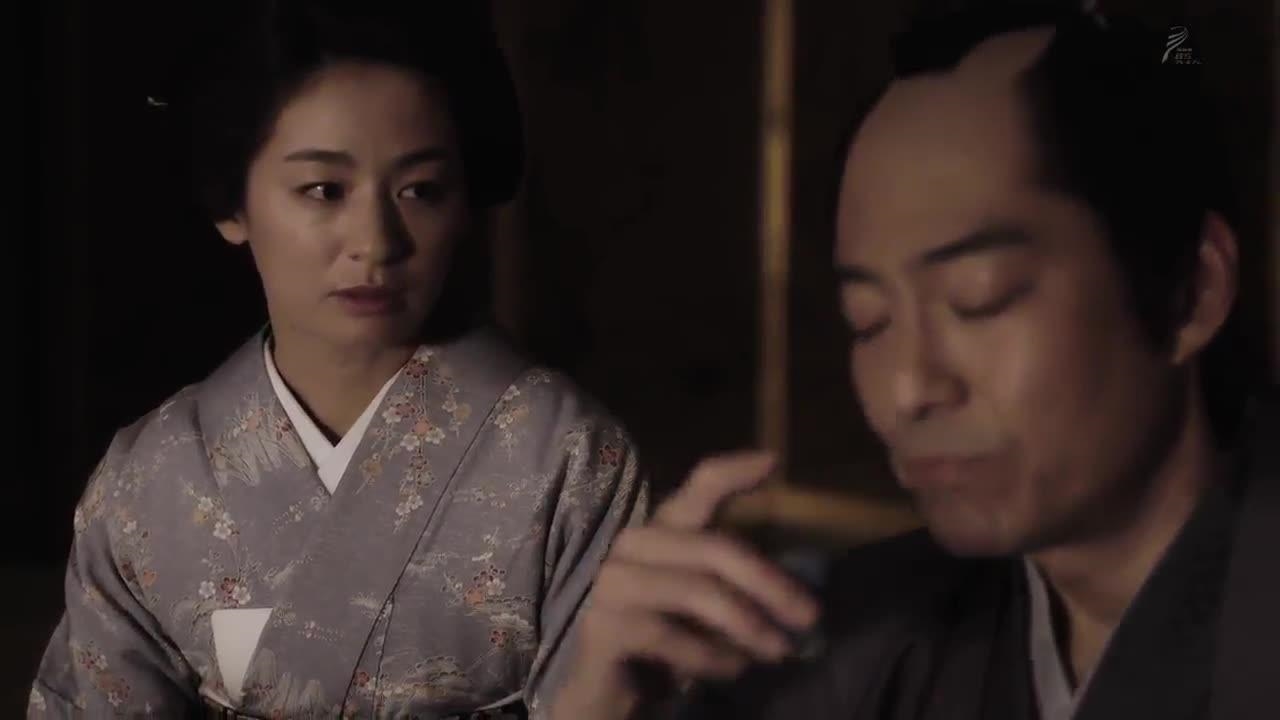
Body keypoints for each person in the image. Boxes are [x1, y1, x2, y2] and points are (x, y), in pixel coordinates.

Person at [550, 6, 1277, 720]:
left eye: (979, 299)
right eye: (868, 321)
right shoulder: (848, 637)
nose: (907, 390)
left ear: (1191, 292)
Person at [29, 2, 648, 718]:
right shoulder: (149, 480)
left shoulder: (569, 461)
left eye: (421, 191)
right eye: (323, 190)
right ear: (233, 204)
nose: (376, 242)